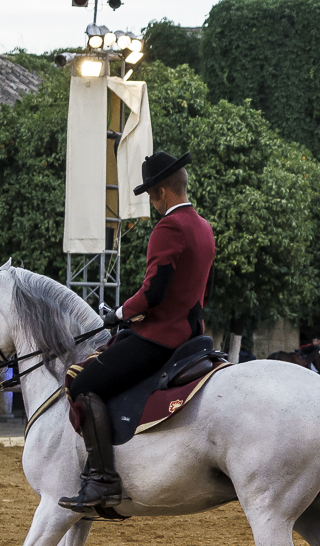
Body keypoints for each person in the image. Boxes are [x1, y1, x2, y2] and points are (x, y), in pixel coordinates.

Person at [59, 150, 215, 512]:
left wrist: (118, 313)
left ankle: (102, 479)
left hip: (161, 337)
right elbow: (204, 292)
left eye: (150, 194)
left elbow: (154, 291)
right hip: (192, 335)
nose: (151, 202)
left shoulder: (169, 228)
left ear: (161, 192)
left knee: (83, 384)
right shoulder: (204, 227)